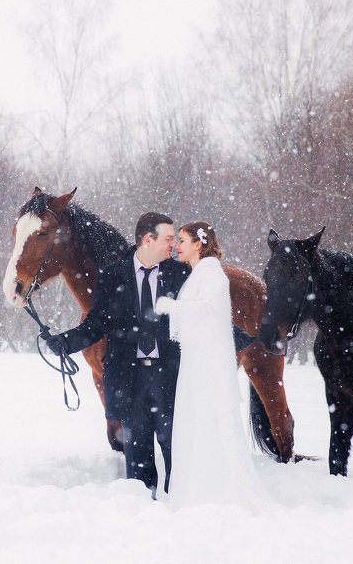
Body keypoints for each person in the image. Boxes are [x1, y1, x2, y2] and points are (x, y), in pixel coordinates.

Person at [44, 212, 187, 497]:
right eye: (169, 238)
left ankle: (180, 509)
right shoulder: (112, 275)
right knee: (137, 455)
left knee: (178, 452)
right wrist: (66, 342)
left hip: (171, 378)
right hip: (130, 380)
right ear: (148, 239)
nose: (173, 245)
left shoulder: (181, 274)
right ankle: (144, 512)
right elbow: (98, 322)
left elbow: (199, 318)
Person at [154, 221, 266, 508]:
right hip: (197, 361)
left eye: (181, 240)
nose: (176, 246)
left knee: (212, 422)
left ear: (198, 244)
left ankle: (223, 493)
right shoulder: (198, 273)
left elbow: (208, 311)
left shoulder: (212, 273)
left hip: (209, 364)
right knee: (196, 423)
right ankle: (200, 491)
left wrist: (173, 307)